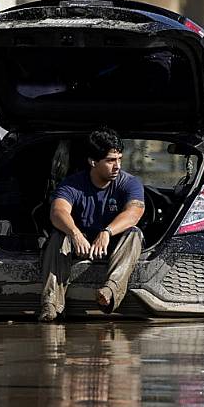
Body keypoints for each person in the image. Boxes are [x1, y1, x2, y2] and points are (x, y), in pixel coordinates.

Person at [39, 127, 145, 321]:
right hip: (80, 243)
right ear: (93, 161)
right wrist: (75, 234)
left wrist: (107, 232)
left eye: (120, 159)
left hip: (113, 244)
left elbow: (134, 213)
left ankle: (109, 291)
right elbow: (58, 212)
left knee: (134, 233)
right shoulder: (72, 185)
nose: (117, 166)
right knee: (57, 237)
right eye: (111, 160)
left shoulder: (130, 183)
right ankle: (51, 305)